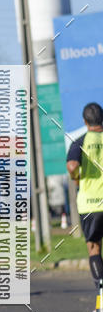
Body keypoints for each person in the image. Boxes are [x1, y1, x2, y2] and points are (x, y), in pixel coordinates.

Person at [66, 102, 103, 289]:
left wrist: (77, 179)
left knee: (94, 247)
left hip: (90, 204)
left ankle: (101, 293)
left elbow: (72, 165)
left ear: (85, 121)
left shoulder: (80, 142)